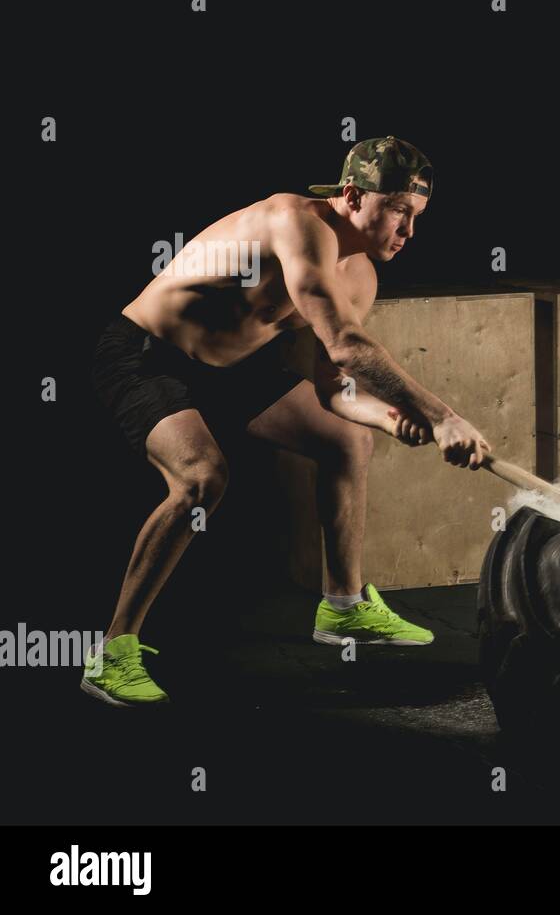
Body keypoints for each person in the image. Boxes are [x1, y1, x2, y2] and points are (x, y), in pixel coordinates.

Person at [83, 136, 492, 707]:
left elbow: (335, 388)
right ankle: (113, 651)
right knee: (202, 480)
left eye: (417, 216)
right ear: (353, 195)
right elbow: (347, 346)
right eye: (399, 210)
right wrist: (442, 415)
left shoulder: (361, 277)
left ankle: (343, 607)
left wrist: (389, 417)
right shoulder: (294, 221)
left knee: (348, 441)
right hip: (147, 355)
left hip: (232, 369)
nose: (408, 232)